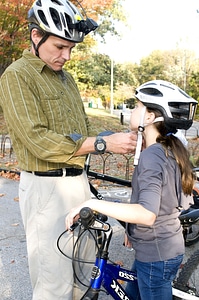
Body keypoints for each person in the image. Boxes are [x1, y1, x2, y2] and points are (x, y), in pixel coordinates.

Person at [0, 0, 137, 299]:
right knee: (54, 284)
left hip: (79, 183)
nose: (67, 56)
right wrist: (101, 144)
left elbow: (82, 132)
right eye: (61, 47)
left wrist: (116, 140)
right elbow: (38, 140)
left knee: (82, 274)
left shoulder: (67, 79)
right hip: (46, 189)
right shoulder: (17, 76)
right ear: (37, 36)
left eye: (71, 48)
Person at [65, 80, 198, 300]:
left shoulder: (152, 156)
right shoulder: (167, 148)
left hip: (156, 255)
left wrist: (92, 203)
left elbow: (147, 214)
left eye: (136, 106)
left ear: (149, 117)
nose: (132, 110)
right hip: (160, 247)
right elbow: (162, 200)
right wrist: (131, 228)